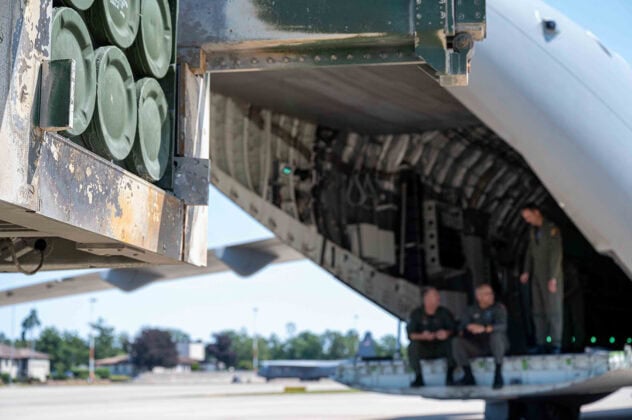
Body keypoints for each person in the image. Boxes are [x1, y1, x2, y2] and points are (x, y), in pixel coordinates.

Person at [520, 203, 564, 354]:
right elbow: (530, 251)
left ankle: (555, 343)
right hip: (537, 276)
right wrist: (526, 271)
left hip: (550, 275)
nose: (527, 220)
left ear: (536, 212)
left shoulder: (551, 229)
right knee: (538, 311)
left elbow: (556, 254)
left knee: (553, 310)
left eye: (528, 216)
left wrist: (553, 277)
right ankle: (541, 342)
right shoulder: (532, 231)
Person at [452, 284, 508, 389]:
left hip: (495, 346)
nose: (491, 296)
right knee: (457, 342)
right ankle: (468, 376)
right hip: (478, 346)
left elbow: (502, 326)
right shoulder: (470, 310)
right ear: (479, 297)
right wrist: (468, 327)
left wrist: (485, 328)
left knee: (496, 336)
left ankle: (498, 374)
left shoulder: (498, 308)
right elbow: (460, 329)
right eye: (487, 294)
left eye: (491, 293)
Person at [406, 287, 456, 387]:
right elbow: (410, 335)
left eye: (438, 295)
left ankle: (450, 376)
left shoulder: (444, 312)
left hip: (441, 347)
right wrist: (423, 336)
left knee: (454, 342)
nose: (438, 298)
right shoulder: (416, 314)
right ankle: (418, 377)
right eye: (435, 295)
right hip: (425, 348)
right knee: (412, 346)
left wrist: (446, 333)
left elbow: (455, 330)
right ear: (426, 298)